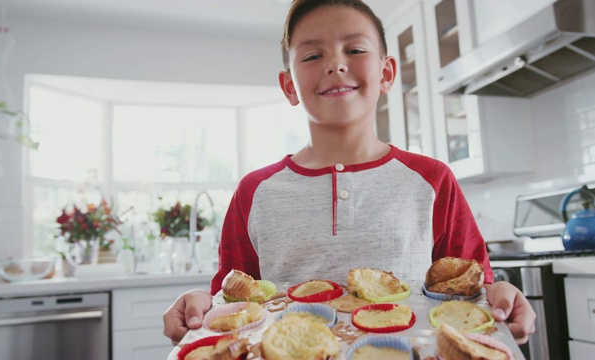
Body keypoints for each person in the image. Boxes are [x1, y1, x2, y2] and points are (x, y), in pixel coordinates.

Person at [163, 0, 536, 347]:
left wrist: (499, 294)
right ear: (290, 86)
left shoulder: (432, 180)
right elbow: (230, 301)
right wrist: (200, 304)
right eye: (312, 55)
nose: (335, 64)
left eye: (355, 50)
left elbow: (473, 287)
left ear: (386, 72)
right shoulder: (254, 191)